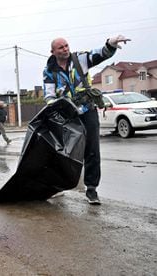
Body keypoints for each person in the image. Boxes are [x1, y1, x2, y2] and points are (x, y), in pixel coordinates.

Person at [43, 35, 130, 204]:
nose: (65, 49)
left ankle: (91, 189)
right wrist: (56, 106)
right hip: (68, 114)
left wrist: (110, 45)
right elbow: (49, 95)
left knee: (92, 149)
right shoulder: (49, 70)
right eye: (61, 47)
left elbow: (99, 54)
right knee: (63, 151)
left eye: (66, 45)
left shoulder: (79, 58)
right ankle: (58, 186)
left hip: (87, 109)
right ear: (53, 52)